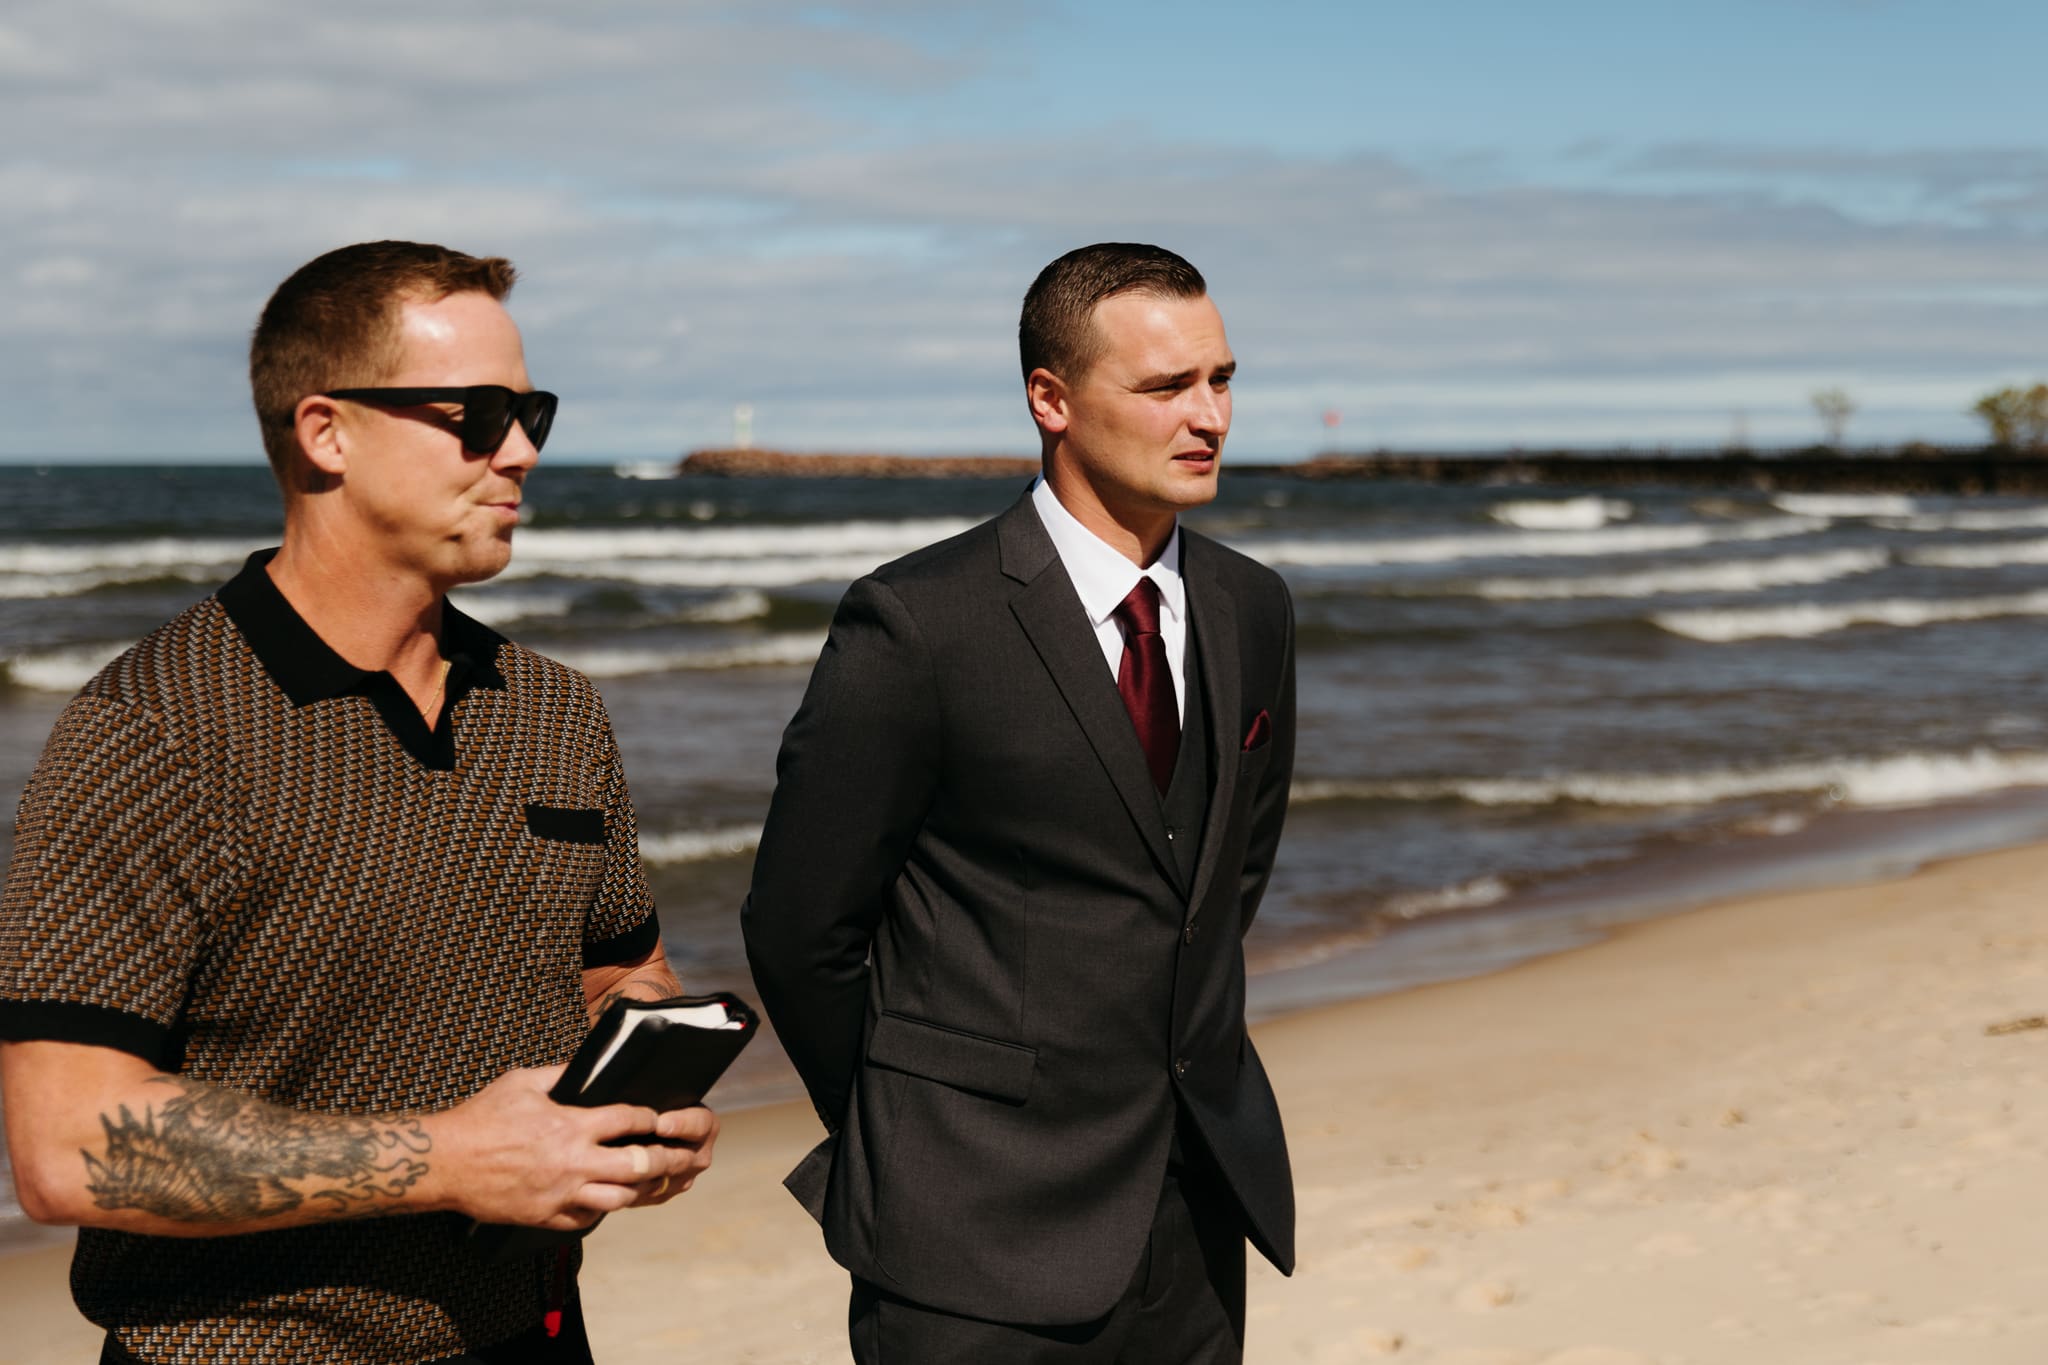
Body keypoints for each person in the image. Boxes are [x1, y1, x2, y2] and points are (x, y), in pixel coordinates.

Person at [0, 240, 717, 1365]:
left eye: (531, 410)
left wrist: (643, 1108)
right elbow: (66, 1143)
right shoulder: (156, 728)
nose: (520, 451)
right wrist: (451, 1159)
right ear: (326, 431)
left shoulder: (552, 709)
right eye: (476, 415)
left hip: (534, 1333)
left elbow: (620, 970)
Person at [743, 242, 1296, 1363]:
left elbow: (1220, 886)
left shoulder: (1251, 605)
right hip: (969, 1243)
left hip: (1194, 1212)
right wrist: (914, 1136)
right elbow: (801, 930)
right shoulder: (916, 624)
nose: (1209, 418)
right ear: (1051, 399)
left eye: (1220, 380)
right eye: (1164, 388)